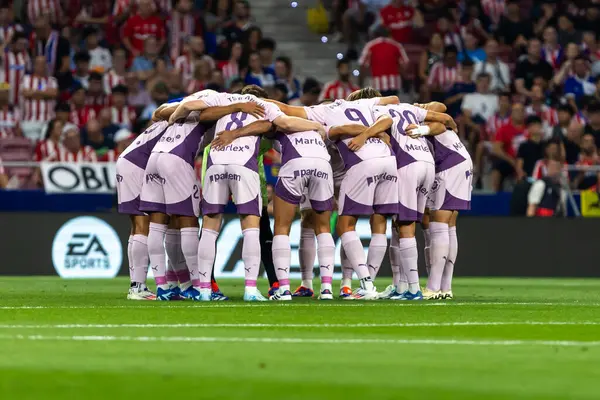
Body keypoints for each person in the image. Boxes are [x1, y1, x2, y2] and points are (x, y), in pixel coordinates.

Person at [165, 88, 325, 301]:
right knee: (251, 228)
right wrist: (316, 126)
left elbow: (195, 110)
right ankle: (250, 289)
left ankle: (204, 289)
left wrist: (175, 116)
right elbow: (282, 124)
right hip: (243, 164)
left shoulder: (222, 98)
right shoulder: (264, 105)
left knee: (210, 227)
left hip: (215, 163)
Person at [138, 93, 266, 301]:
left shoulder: (185, 104)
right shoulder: (215, 101)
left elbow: (157, 112)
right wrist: (238, 107)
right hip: (177, 159)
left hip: (155, 157)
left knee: (159, 224)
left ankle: (163, 286)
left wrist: (174, 114)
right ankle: (197, 286)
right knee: (188, 223)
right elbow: (194, 107)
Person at [372, 103, 452, 301]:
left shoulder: (375, 110)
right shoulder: (408, 108)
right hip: (427, 165)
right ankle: (401, 287)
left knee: (405, 225)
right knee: (402, 224)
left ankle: (413, 289)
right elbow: (444, 122)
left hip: (407, 165)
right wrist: (423, 129)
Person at [416, 103, 473, 300]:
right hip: (461, 162)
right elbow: (446, 117)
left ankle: (433, 288)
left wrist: (420, 115)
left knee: (438, 221)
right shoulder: (433, 117)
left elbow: (442, 116)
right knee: (449, 224)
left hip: (450, 163)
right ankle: (445, 287)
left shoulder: (421, 116)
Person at [358, 26, 408, 97]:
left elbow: (362, 64)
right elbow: (405, 63)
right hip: (394, 83)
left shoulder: (370, 45)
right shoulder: (396, 45)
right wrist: (404, 79)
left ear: (375, 35)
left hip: (377, 84)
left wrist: (360, 82)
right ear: (389, 34)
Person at [20, 56, 59, 142]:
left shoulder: (52, 80)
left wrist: (34, 93)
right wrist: (45, 94)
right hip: (30, 121)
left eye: (44, 63)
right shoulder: (26, 79)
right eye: (39, 63)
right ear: (34, 65)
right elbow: (26, 94)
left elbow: (54, 94)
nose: (42, 66)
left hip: (48, 121)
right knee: (32, 145)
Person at [491, 102, 527, 191]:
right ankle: (494, 194)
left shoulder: (529, 128)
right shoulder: (504, 129)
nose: (519, 113)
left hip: (527, 160)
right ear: (511, 113)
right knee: (497, 167)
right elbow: (496, 149)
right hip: (510, 161)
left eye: (522, 110)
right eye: (516, 111)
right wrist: (511, 160)